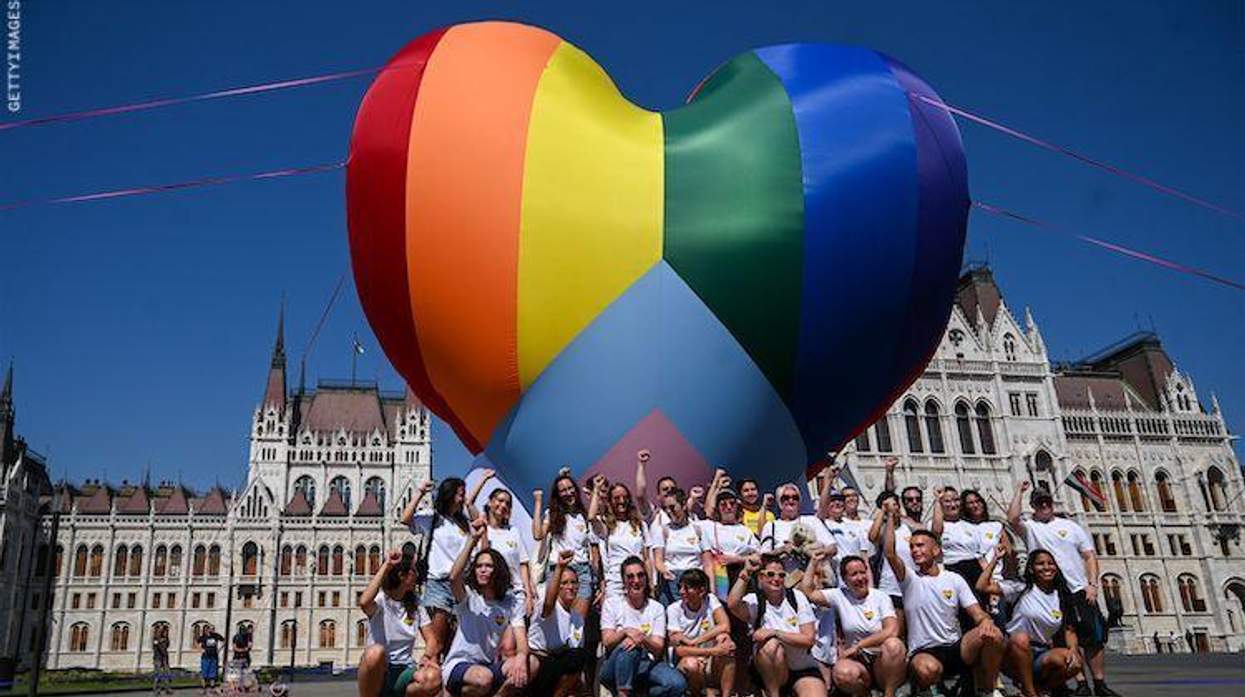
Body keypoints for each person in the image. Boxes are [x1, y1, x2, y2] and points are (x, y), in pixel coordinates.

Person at [882, 502, 1004, 697]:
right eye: (912, 547)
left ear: (936, 550)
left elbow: (977, 612)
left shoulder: (954, 579)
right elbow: (889, 553)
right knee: (927, 670)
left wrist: (986, 621)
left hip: (956, 647)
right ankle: (927, 689)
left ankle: (989, 689)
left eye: (920, 546)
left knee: (994, 635)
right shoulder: (910, 579)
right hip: (924, 650)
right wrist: (889, 516)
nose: (915, 551)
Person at [1008, 483, 1118, 697]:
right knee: (1063, 638)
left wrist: (1093, 584)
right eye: (1039, 502)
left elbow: (1089, 555)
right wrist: (1018, 492)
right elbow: (1012, 518)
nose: (1044, 504)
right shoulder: (1030, 527)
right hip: (1053, 592)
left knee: (1093, 638)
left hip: (1079, 589)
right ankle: (1081, 685)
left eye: (1047, 500)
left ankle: (1099, 684)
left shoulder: (1071, 526)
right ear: (1032, 506)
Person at [977, 540, 1082, 697]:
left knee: (1074, 663)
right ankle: (1030, 692)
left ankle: (1040, 688)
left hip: (1042, 652)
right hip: (1013, 652)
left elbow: (1069, 629)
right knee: (1021, 639)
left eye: (1050, 563)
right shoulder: (1021, 588)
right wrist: (995, 559)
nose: (1046, 567)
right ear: (1032, 569)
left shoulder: (1060, 595)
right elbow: (981, 586)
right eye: (1040, 564)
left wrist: (1073, 650)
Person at [442, 517, 531, 696]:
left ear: (497, 570)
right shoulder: (468, 597)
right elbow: (453, 578)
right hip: (460, 665)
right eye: (479, 566)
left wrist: (521, 657)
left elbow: (521, 640)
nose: (482, 570)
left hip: (489, 666)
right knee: (484, 679)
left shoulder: (510, 602)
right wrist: (472, 540)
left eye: (488, 566)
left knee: (529, 665)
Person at [801, 553, 907, 697]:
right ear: (844, 579)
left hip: (882, 660)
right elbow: (808, 591)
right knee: (842, 673)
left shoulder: (880, 597)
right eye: (854, 574)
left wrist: (860, 645)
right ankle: (865, 694)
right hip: (858, 662)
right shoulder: (839, 595)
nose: (860, 578)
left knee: (894, 645)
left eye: (863, 572)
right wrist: (813, 562)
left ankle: (889, 694)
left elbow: (892, 630)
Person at [727, 553, 825, 697]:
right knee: (771, 645)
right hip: (772, 671)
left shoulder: (797, 598)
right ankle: (773, 694)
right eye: (770, 574)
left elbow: (808, 639)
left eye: (781, 575)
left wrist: (775, 632)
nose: (776, 579)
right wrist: (746, 572)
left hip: (802, 667)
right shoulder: (756, 600)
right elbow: (733, 604)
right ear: (761, 577)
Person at [402, 478, 474, 660]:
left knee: (455, 641)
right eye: (460, 494)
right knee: (437, 642)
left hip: (461, 585)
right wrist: (419, 492)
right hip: (439, 584)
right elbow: (405, 518)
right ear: (449, 495)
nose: (462, 499)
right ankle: (429, 679)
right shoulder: (432, 518)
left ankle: (446, 681)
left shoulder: (463, 524)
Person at [358, 550, 442, 697]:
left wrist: (427, 657)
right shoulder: (381, 600)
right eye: (414, 571)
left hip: (404, 668)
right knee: (375, 653)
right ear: (403, 576)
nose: (417, 575)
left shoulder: (415, 603)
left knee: (433, 677)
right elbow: (364, 602)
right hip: (380, 671)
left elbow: (431, 639)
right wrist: (386, 565)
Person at [599, 555, 687, 697]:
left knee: (677, 684)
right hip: (615, 665)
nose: (636, 581)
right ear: (624, 581)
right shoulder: (612, 604)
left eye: (640, 575)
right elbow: (608, 642)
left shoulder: (656, 608)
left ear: (646, 579)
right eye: (630, 577)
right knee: (629, 648)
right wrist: (626, 632)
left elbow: (658, 648)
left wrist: (642, 638)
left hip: (646, 663)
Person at [532, 472, 596, 617]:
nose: (568, 493)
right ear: (558, 495)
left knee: (578, 623)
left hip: (582, 572)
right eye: (563, 490)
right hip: (558, 571)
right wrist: (538, 502)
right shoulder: (552, 514)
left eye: (570, 488)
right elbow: (537, 534)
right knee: (555, 617)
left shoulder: (583, 515)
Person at [474, 473, 537, 618]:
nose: (503, 506)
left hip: (515, 594)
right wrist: (483, 478)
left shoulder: (513, 531)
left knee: (516, 637)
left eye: (507, 504)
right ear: (490, 502)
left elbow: (522, 564)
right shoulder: (482, 530)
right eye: (500, 500)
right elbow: (468, 503)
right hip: (490, 594)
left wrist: (528, 595)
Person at [528, 551, 589, 697]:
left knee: (579, 656)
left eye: (573, 582)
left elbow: (574, 653)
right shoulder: (549, 605)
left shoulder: (578, 618)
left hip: (556, 663)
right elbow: (549, 603)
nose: (570, 587)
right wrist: (560, 568)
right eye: (564, 583)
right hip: (537, 661)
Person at [667, 568, 735, 697]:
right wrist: (713, 651)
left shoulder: (711, 600)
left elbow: (725, 626)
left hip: (709, 660)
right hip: (688, 661)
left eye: (686, 588)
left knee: (726, 641)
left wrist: (695, 641)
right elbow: (680, 650)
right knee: (691, 664)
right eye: (679, 587)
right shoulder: (673, 609)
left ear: (702, 591)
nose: (681, 592)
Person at [760, 482, 835, 580]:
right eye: (785, 498)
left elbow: (832, 548)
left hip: (816, 579)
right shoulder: (771, 526)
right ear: (779, 502)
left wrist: (812, 552)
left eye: (795, 497)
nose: (791, 500)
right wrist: (782, 550)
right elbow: (763, 556)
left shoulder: (812, 520)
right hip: (788, 582)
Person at [589, 480, 650, 600]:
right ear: (610, 501)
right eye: (617, 498)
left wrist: (651, 585)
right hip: (615, 582)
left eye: (625, 497)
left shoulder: (640, 525)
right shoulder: (605, 524)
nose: (621, 501)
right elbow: (591, 517)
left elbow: (647, 558)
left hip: (638, 580)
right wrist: (596, 489)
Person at [652, 487, 711, 604]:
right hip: (671, 581)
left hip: (695, 580)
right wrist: (664, 571)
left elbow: (708, 563)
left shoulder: (698, 529)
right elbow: (658, 560)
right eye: (665, 508)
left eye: (672, 507)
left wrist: (710, 590)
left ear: (683, 505)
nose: (669, 511)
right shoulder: (662, 531)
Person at [870, 490, 915, 636]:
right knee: (896, 631)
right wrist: (884, 513)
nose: (892, 508)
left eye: (895, 504)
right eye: (888, 505)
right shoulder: (883, 528)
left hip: (911, 584)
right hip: (890, 587)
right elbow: (872, 537)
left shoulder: (907, 526)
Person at [198, 625, 226, 694]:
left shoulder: (216, 635)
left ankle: (212, 688)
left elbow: (224, 641)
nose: (212, 630)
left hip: (214, 657)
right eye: (211, 629)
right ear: (207, 629)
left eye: (213, 628)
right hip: (205, 657)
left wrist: (219, 649)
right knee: (204, 673)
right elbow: (197, 642)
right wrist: (201, 649)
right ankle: (203, 689)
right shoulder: (203, 637)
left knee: (212, 674)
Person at [152, 624, 173, 695]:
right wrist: (160, 641)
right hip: (158, 658)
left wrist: (164, 640)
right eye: (164, 631)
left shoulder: (166, 639)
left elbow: (167, 645)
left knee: (167, 674)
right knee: (158, 674)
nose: (165, 633)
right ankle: (156, 689)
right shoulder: (155, 639)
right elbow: (156, 647)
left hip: (165, 659)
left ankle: (167, 688)